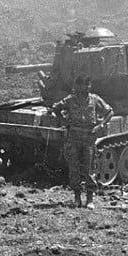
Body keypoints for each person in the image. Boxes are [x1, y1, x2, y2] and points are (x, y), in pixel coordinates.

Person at [50, 75, 113, 208]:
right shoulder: (70, 100)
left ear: (89, 86)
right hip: (73, 137)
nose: (83, 88)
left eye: (85, 85)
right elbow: (55, 108)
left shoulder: (95, 99)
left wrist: (100, 126)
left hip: (89, 137)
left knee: (89, 168)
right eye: (80, 86)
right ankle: (77, 197)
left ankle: (90, 199)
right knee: (74, 168)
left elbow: (109, 112)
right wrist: (64, 121)